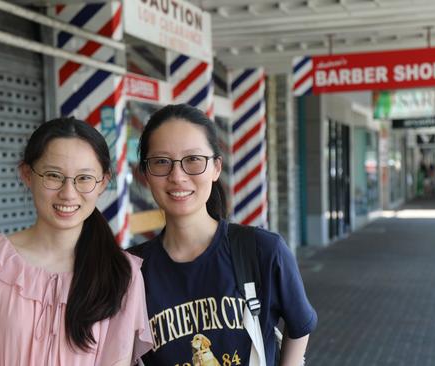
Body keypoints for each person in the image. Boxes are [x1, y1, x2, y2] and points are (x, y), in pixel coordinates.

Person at [0, 117, 153, 365]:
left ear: (103, 183)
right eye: (53, 175)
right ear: (27, 175)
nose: (68, 193)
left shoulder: (122, 273)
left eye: (84, 178)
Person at [131, 104, 317, 365]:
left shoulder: (261, 250)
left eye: (193, 160)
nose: (177, 176)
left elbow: (300, 325)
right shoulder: (132, 270)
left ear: (216, 168)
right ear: (146, 175)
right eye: (161, 162)